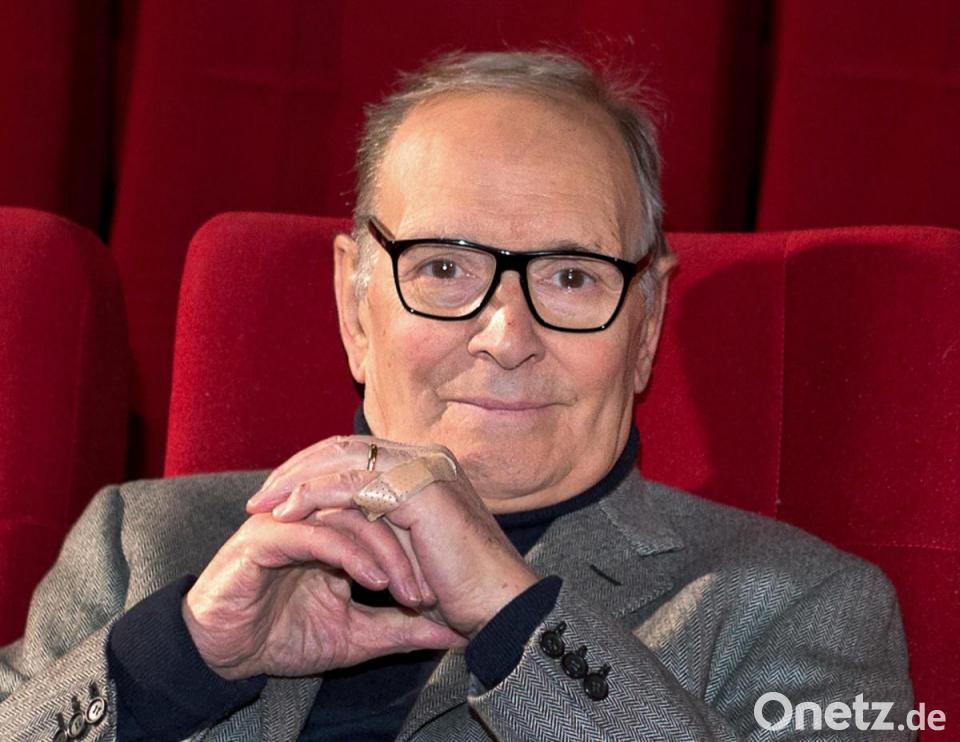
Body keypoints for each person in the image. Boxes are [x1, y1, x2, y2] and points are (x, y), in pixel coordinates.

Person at [0, 50, 912, 742]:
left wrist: (519, 621)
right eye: (443, 268)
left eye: (571, 277)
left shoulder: (803, 606)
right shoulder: (141, 550)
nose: (506, 337)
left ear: (646, 324)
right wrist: (173, 666)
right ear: (354, 303)